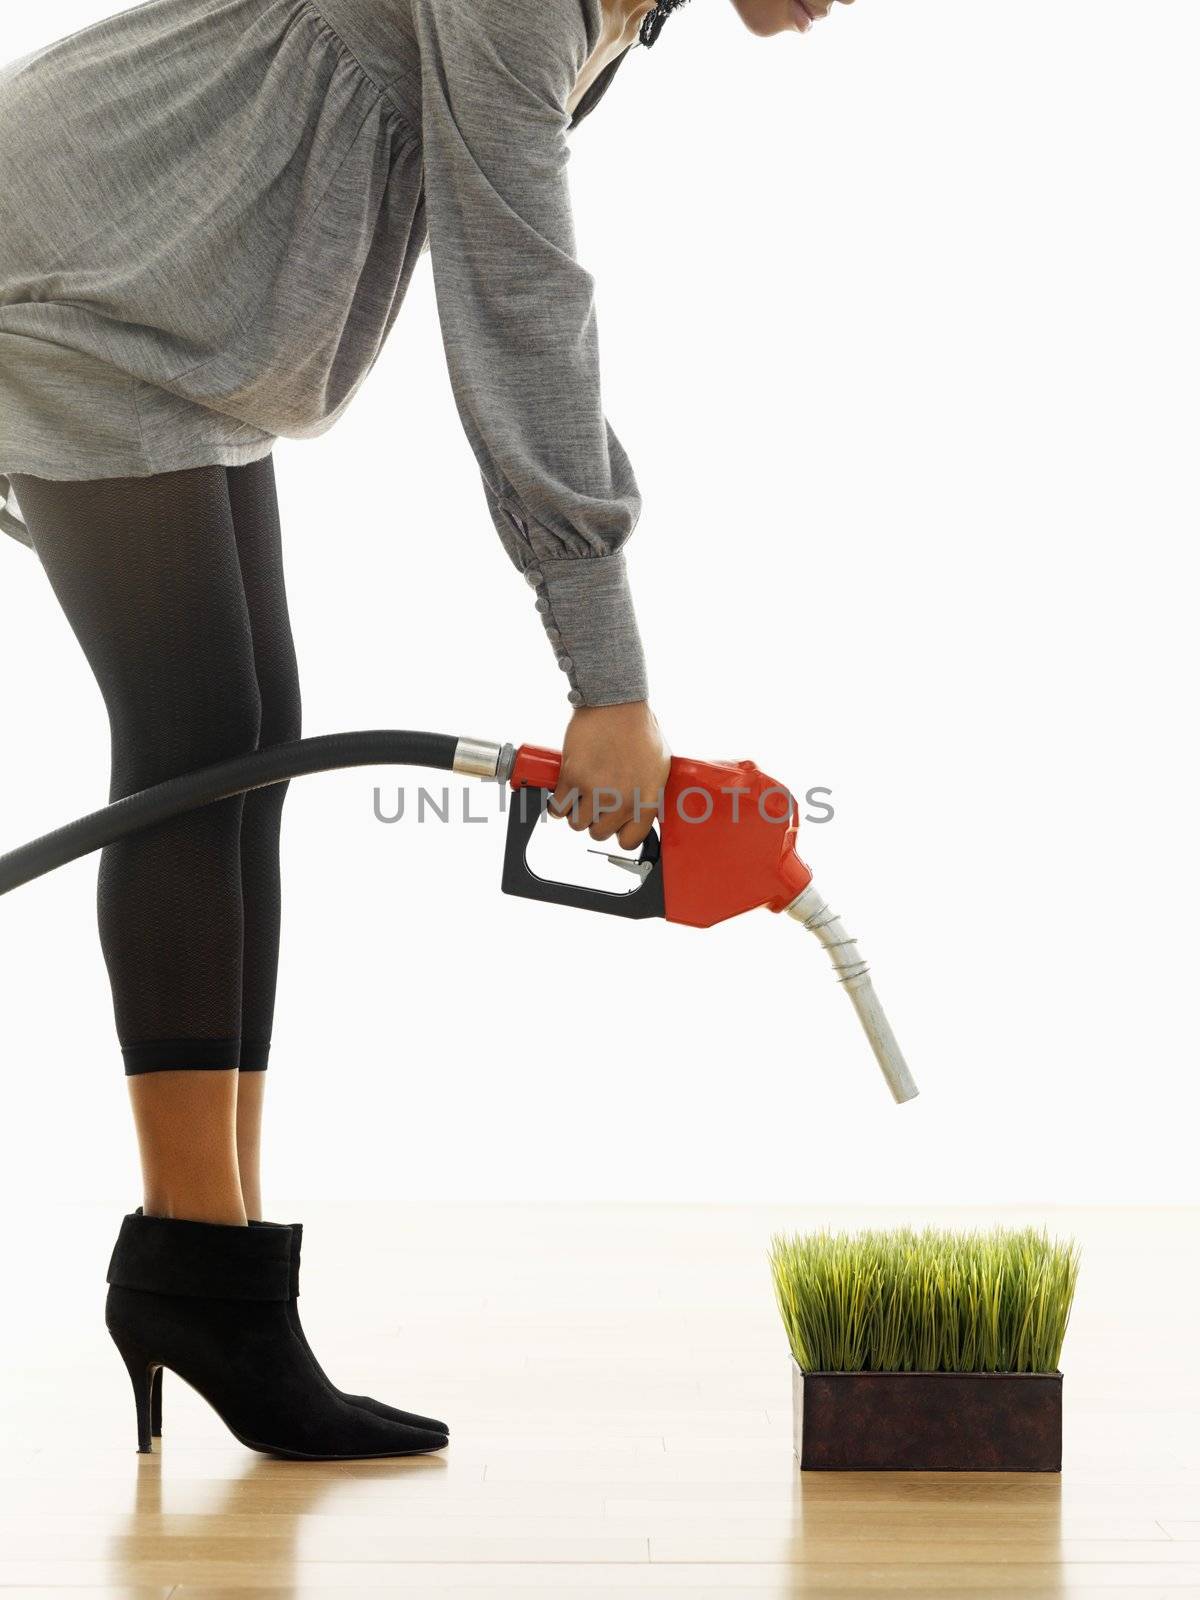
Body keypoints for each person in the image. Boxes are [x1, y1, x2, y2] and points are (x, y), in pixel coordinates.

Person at [0, 0, 851, 1459]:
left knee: (244, 748)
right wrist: (609, 682)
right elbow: (518, 300)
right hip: (87, 281)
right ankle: (203, 1280)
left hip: (178, 317)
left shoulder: (622, 11)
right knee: (194, 753)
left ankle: (216, 1272)